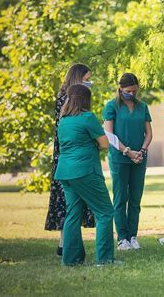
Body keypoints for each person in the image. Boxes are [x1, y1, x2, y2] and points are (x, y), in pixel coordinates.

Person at [54, 84, 115, 266]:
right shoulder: (87, 117)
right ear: (85, 100)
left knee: (73, 213)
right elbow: (104, 144)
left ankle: (71, 260)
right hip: (85, 170)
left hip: (65, 172)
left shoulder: (63, 120)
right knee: (105, 212)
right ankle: (104, 259)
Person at [45, 63, 95, 256]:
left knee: (70, 202)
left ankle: (65, 243)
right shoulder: (67, 100)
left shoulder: (68, 99)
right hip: (68, 155)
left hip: (67, 155)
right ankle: (65, 243)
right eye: (86, 80)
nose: (89, 83)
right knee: (68, 201)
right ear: (77, 79)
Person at [102, 73, 153, 251]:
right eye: (128, 91)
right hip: (119, 158)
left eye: (134, 90)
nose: (131, 93)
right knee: (120, 198)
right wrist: (127, 151)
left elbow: (149, 133)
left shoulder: (143, 106)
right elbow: (109, 134)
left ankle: (133, 236)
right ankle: (122, 238)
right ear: (120, 89)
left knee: (135, 199)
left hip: (139, 158)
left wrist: (142, 151)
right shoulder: (111, 106)